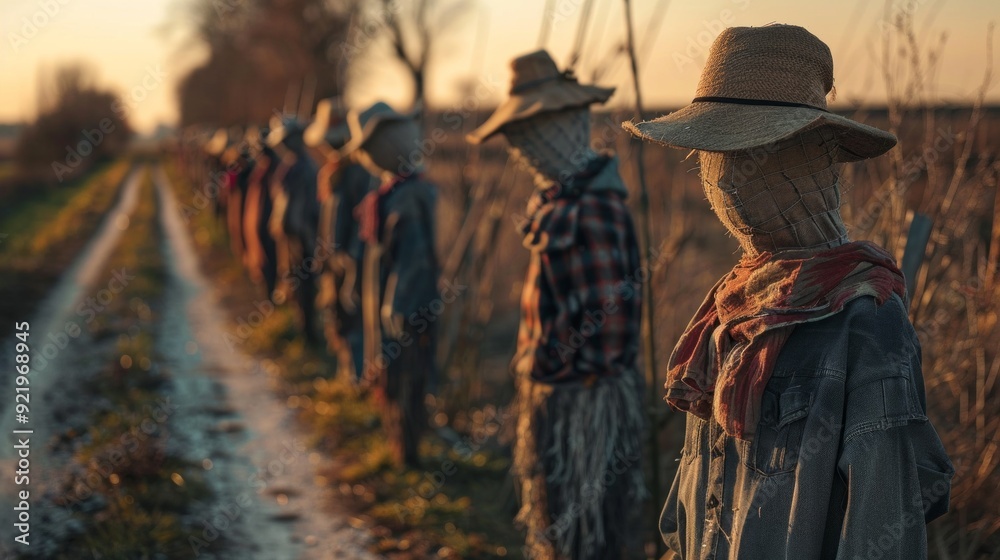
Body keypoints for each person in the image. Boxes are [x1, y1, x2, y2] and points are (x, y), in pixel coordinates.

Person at [623, 24, 955, 559]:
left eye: (748, 154)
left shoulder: (864, 321)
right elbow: (691, 508)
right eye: (715, 158)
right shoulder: (730, 308)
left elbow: (882, 528)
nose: (727, 181)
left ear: (808, 161)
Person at [467, 50, 646, 560]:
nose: (520, 147)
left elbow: (607, 322)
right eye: (516, 135)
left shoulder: (595, 208)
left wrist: (559, 370)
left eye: (528, 132)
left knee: (586, 530)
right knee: (559, 523)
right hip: (557, 394)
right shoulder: (557, 199)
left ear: (561, 126)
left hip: (583, 400)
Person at [343, 101, 439, 468]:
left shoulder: (408, 198)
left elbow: (413, 262)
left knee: (405, 381)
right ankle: (400, 446)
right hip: (392, 311)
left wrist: (396, 307)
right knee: (394, 378)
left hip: (405, 314)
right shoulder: (388, 195)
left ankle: (408, 453)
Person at [305, 97, 377, 381]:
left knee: (352, 322)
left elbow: (357, 226)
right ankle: (347, 377)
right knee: (339, 321)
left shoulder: (356, 175)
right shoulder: (332, 173)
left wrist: (347, 265)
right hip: (337, 263)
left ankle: (356, 381)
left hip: (350, 263)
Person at [268, 116, 322, 344]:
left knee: (305, 287)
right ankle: (301, 328)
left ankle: (308, 334)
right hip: (291, 237)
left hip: (304, 238)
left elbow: (305, 208)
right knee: (293, 284)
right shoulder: (289, 167)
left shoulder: (306, 169)